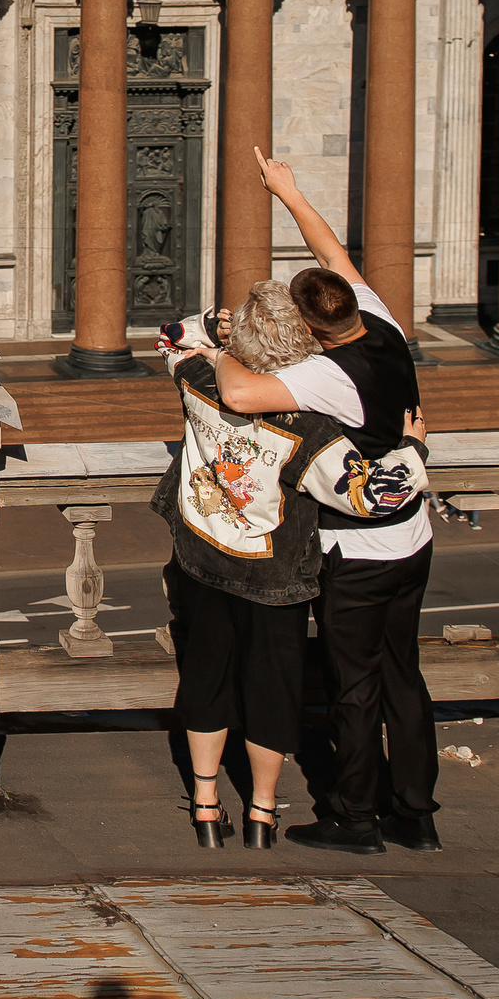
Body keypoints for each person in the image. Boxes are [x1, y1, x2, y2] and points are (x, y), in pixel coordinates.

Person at [207, 148, 438, 855]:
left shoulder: (326, 375)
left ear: (308, 327)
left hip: (360, 548)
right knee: (404, 672)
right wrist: (290, 192)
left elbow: (240, 394)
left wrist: (217, 346)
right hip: (414, 537)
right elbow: (331, 249)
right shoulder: (382, 321)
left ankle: (355, 818)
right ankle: (417, 814)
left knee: (354, 683)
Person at [155, 282, 348, 850]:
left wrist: (220, 333)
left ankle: (207, 807)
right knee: (272, 690)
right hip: (276, 576)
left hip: (202, 557)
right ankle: (263, 814)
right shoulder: (310, 425)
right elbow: (370, 495)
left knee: (205, 680)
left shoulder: (197, 382)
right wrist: (417, 449)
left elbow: (171, 335)